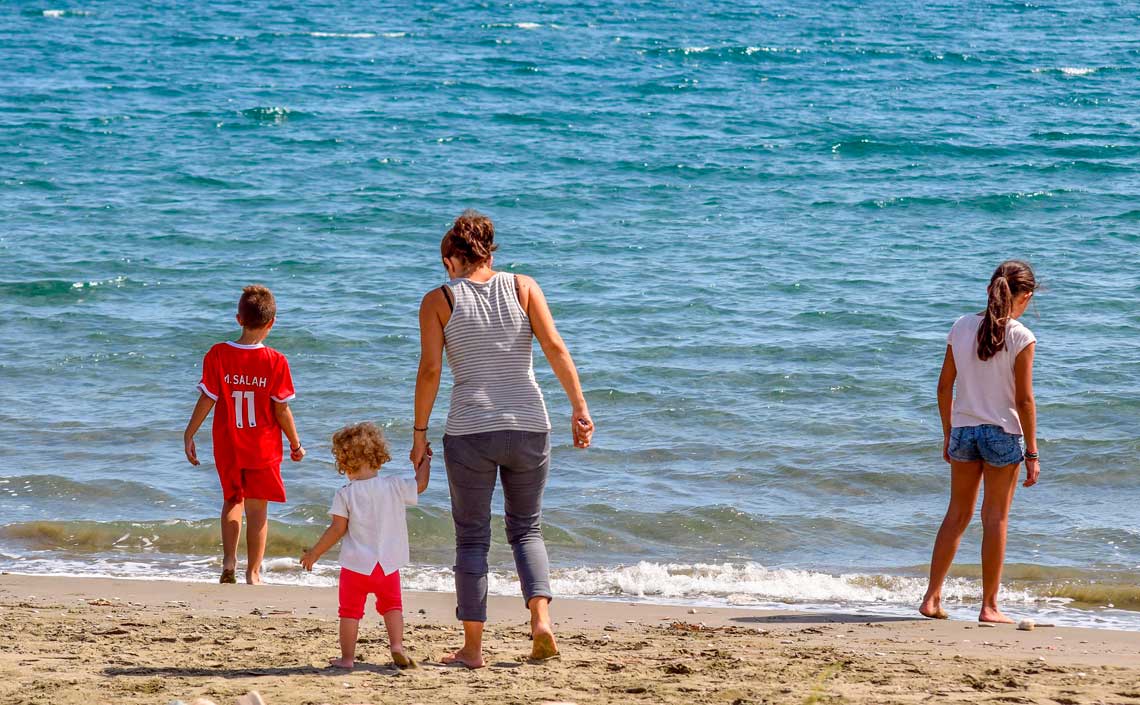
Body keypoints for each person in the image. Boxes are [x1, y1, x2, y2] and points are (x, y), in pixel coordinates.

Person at [411, 210, 595, 668]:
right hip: (530, 423)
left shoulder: (439, 300)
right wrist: (579, 407)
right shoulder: (523, 286)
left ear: (453, 257)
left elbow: (431, 370)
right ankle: (541, 622)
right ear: (489, 252)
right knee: (526, 528)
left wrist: (419, 435)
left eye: (444, 262)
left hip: (471, 430)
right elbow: (555, 347)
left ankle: (473, 650)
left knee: (472, 539)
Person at [920, 260, 1040, 623]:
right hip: (1003, 434)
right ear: (1026, 296)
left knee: (956, 515)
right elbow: (1023, 400)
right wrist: (1032, 452)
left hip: (964, 431)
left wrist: (948, 433)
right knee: (995, 519)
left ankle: (931, 597)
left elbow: (944, 387)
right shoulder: (1021, 336)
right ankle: (989, 607)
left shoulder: (960, 326)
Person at [183, 285, 305, 585]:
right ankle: (253, 573)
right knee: (258, 509)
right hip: (263, 447)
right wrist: (295, 443)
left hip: (228, 445)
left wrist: (189, 433)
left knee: (232, 502)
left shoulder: (218, 354)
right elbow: (281, 410)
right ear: (272, 323)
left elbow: (207, 399)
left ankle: (228, 561)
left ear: (238, 319)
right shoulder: (276, 361)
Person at [300, 422, 430, 670]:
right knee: (392, 607)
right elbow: (420, 485)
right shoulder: (393, 485)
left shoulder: (345, 494)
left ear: (345, 463)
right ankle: (396, 647)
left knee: (349, 613)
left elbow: (337, 529)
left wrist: (314, 553)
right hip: (388, 566)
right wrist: (425, 461)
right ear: (378, 457)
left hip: (356, 567)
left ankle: (347, 659)